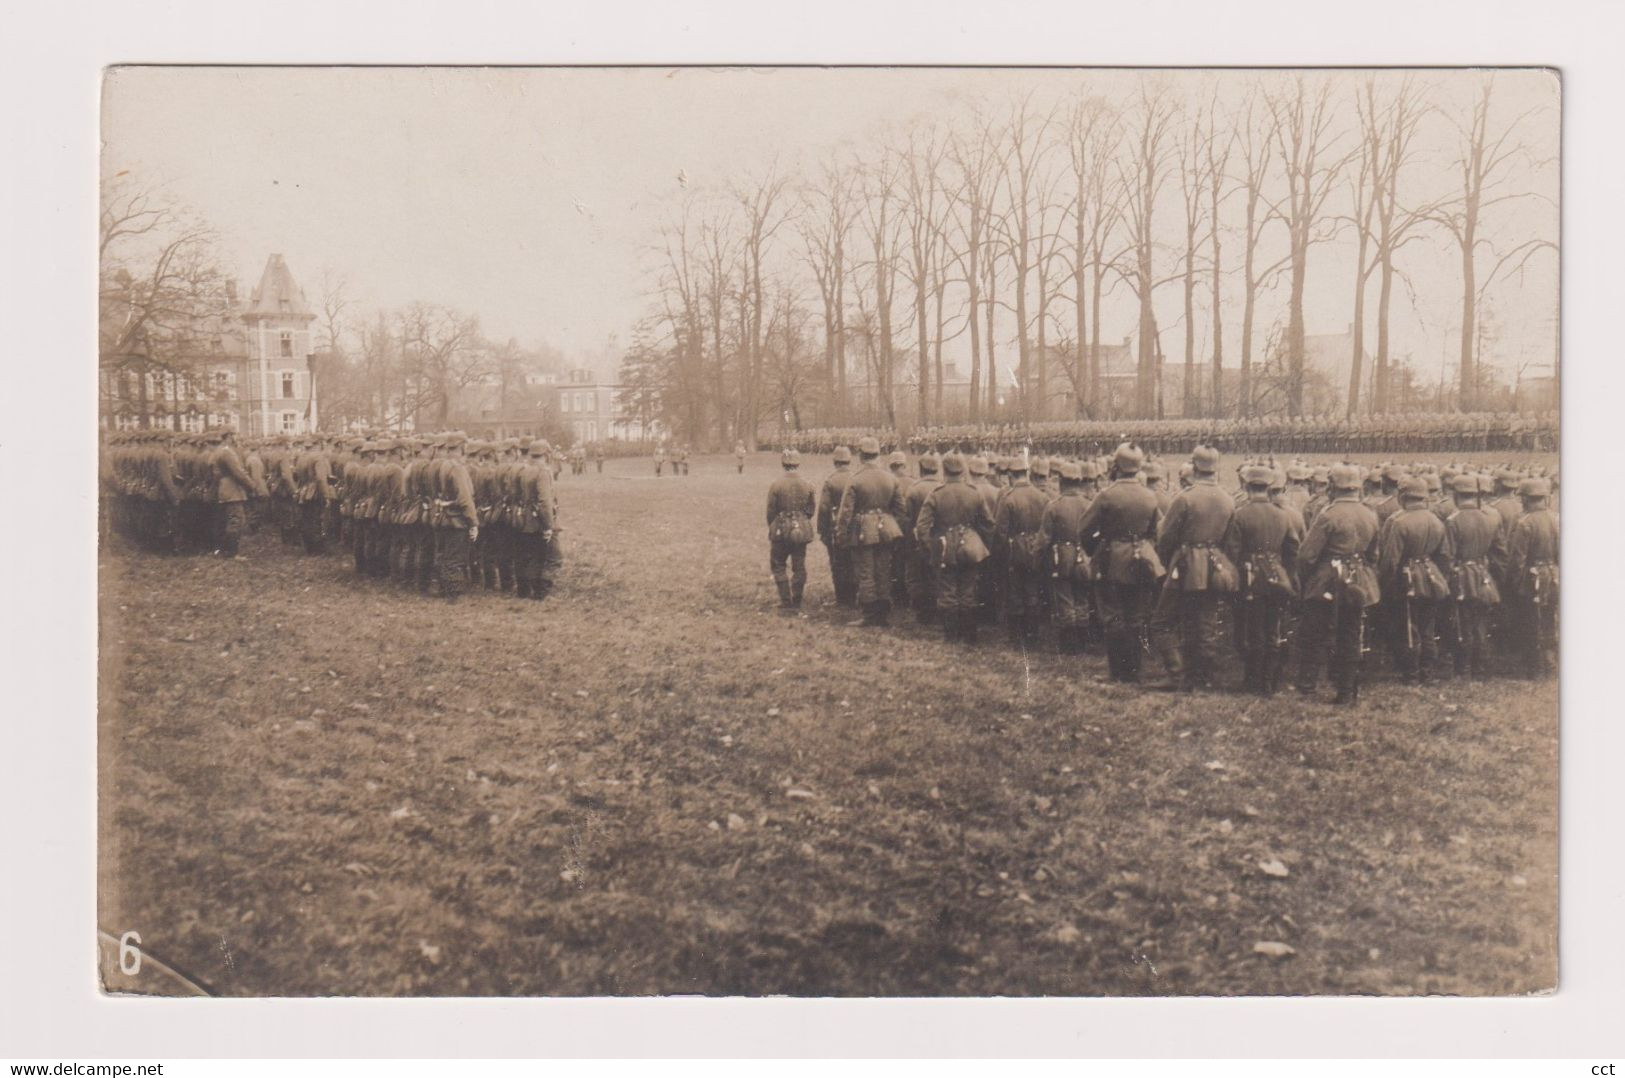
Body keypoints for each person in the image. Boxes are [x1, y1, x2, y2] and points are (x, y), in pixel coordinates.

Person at [1294, 464, 1382, 705]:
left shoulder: (1328, 514)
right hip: (1358, 579)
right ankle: (1346, 690)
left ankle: (1308, 685)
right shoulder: (1369, 514)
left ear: (1334, 487)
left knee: (1314, 633)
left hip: (1327, 581)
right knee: (1351, 634)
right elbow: (1374, 554)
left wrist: (1307, 579)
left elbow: (1306, 555)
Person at [1075, 444, 1164, 682]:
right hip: (1142, 559)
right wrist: (1146, 548)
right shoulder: (1150, 495)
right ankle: (1134, 671)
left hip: (1111, 559)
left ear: (1117, 466)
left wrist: (1097, 550)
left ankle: (1118, 672)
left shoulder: (1107, 495)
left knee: (1113, 615)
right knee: (1137, 616)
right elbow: (1158, 530)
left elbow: (1084, 529)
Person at [1155, 445, 1238, 691]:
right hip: (1215, 566)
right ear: (1216, 467)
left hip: (1184, 564)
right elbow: (1230, 541)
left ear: (1194, 465)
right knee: (1206, 622)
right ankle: (1204, 678)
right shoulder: (1227, 499)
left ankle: (1177, 675)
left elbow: (1166, 537)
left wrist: (1169, 561)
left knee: (1163, 620)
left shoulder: (1185, 497)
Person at [1222, 465, 1302, 694]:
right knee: (1272, 630)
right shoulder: (1283, 515)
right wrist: (1286, 573)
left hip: (1250, 578)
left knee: (1254, 630)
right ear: (1268, 487)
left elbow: (1232, 552)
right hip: (1277, 576)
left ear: (1247, 487)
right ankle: (1268, 681)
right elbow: (1293, 549)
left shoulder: (1240, 515)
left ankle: (1253, 680)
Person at [1376, 477, 1453, 684]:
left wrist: (1385, 585)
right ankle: (1427, 672)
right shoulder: (1436, 521)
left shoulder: (1398, 522)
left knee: (1409, 627)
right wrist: (1439, 578)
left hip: (1407, 579)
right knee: (1427, 627)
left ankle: (1411, 673)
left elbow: (1390, 560)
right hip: (1432, 575)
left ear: (1402, 497)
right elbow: (1445, 556)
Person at [914, 452, 996, 644]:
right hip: (970, 545)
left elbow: (922, 526)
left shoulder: (936, 494)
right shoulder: (974, 492)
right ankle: (969, 635)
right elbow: (989, 524)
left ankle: (951, 636)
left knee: (948, 590)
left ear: (945, 470)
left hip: (944, 547)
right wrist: (982, 546)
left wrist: (929, 550)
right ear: (962, 470)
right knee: (968, 589)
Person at [834, 436, 907, 627]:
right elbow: (901, 510)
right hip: (886, 530)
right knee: (883, 570)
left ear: (860, 456)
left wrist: (841, 535)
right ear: (878, 455)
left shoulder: (855, 480)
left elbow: (845, 513)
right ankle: (882, 614)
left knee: (865, 571)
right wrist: (891, 526)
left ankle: (870, 615)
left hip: (863, 531)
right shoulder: (890, 478)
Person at [1442, 473, 1504, 680]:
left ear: (1456, 495)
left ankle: (1464, 669)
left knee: (1462, 623)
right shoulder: (1490, 518)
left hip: (1462, 577)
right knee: (1480, 624)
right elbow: (1499, 552)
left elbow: (1448, 555)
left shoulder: (1453, 521)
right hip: (1483, 575)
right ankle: (1479, 668)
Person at [1504, 477, 1559, 678]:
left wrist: (1514, 584)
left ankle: (1535, 668)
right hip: (1553, 575)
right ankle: (1551, 664)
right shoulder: (1556, 519)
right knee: (1548, 620)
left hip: (1532, 579)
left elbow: (1517, 560)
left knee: (1530, 621)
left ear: (1526, 499)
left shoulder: (1524, 523)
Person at [1041, 460, 1095, 654]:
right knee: (1082, 599)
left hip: (1061, 557)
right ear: (1079, 482)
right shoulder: (1089, 505)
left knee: (1065, 600)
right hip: (1085, 556)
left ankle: (1069, 645)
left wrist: (1038, 559)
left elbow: (1044, 539)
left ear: (1062, 481)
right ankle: (1082, 641)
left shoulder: (1054, 506)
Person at [996, 455, 1050, 646]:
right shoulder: (1042, 497)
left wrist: (1003, 554)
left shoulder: (1008, 498)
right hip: (1036, 546)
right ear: (1026, 473)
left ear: (1011, 475)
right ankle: (1032, 636)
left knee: (1015, 592)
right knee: (1033, 591)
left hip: (1015, 548)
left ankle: (1016, 637)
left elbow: (1001, 532)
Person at [429, 433, 479, 600]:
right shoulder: (457, 468)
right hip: (456, 519)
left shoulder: (440, 465)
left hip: (441, 516)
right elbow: (464, 498)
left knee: (443, 554)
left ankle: (442, 588)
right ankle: (453, 592)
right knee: (455, 557)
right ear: (461, 448)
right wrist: (473, 522)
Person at [766, 449, 817, 612]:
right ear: (798, 464)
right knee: (799, 565)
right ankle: (797, 600)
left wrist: (773, 527)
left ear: (783, 464)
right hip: (800, 528)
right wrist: (801, 520)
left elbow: (770, 511)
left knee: (778, 564)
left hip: (781, 527)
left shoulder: (776, 484)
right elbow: (811, 509)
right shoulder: (807, 484)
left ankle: (786, 600)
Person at [513, 439, 561, 600]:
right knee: (553, 557)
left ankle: (529, 590)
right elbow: (545, 501)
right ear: (546, 454)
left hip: (525, 518)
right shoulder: (543, 472)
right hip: (539, 519)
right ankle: (542, 591)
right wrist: (549, 526)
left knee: (532, 555)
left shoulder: (525, 470)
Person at [207, 430, 267, 558]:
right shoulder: (227, 451)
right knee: (236, 520)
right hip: (232, 490)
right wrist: (251, 486)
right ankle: (232, 553)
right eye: (234, 435)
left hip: (222, 489)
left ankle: (223, 550)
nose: (236, 438)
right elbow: (238, 472)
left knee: (226, 521)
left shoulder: (218, 451)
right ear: (229, 436)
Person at [902, 453, 943, 622]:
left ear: (921, 469)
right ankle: (935, 607)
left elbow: (907, 518)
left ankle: (922, 611)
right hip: (939, 538)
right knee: (936, 573)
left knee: (917, 574)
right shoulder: (943, 487)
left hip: (918, 538)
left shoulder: (914, 489)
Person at [817, 446, 858, 608]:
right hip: (854, 527)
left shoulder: (831, 480)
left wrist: (822, 530)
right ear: (849, 461)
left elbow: (824, 508)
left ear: (835, 462)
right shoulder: (856, 478)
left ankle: (842, 599)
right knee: (853, 562)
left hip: (835, 527)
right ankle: (854, 596)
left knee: (837, 563)